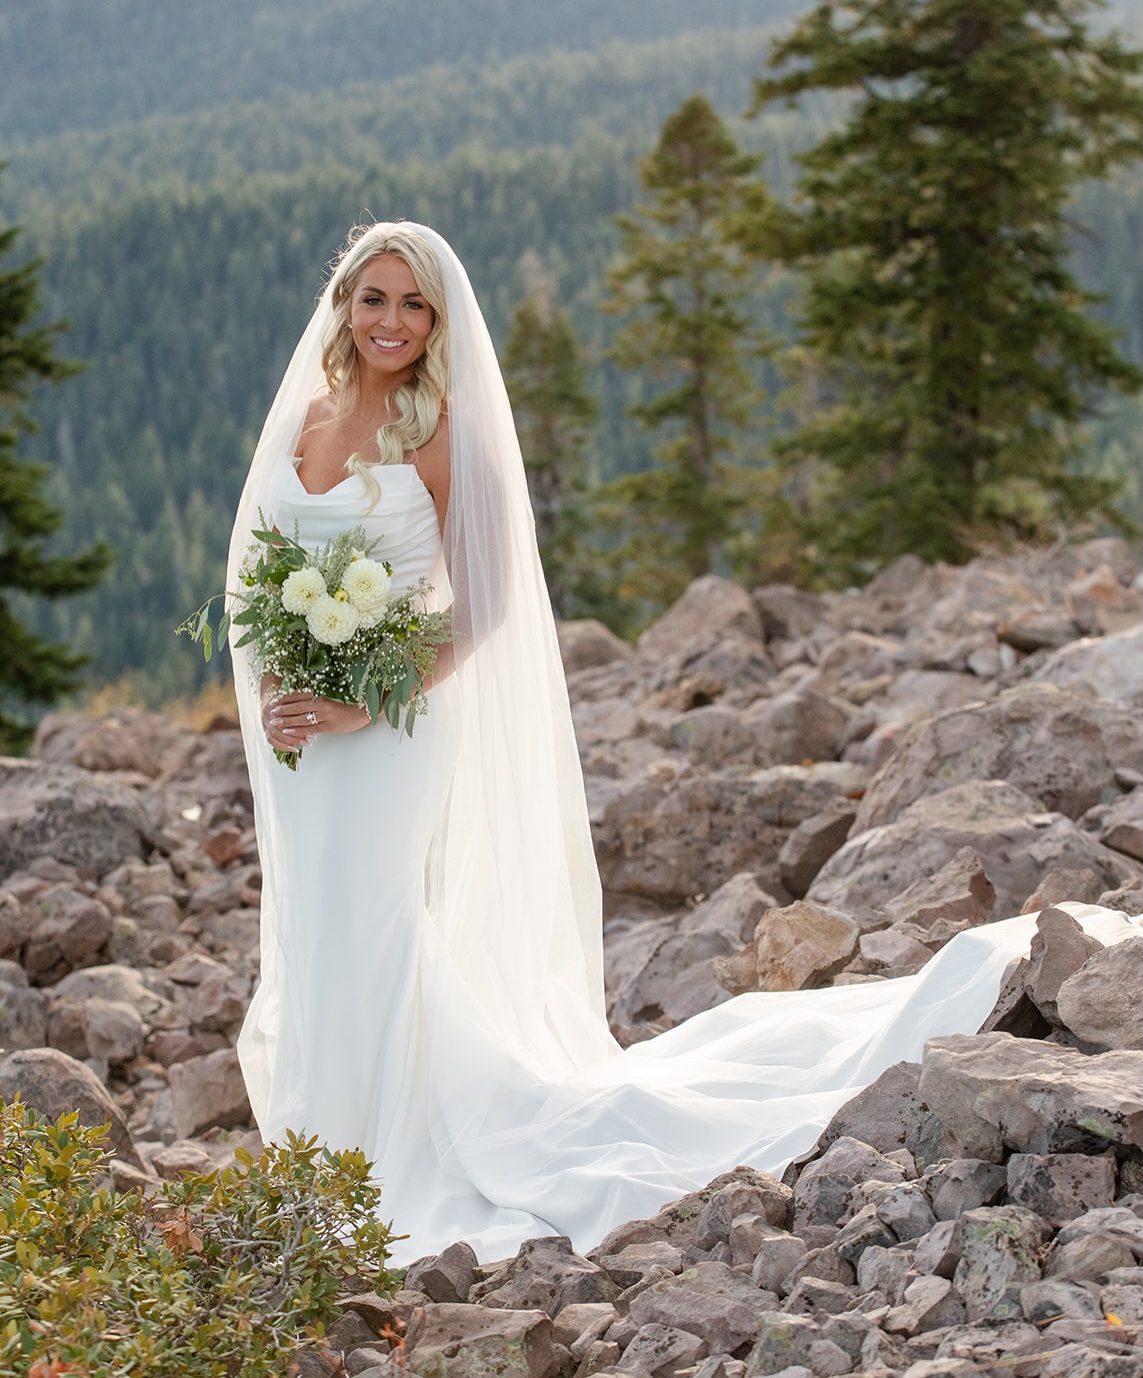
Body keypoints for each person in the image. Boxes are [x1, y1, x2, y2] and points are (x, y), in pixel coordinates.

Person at [229, 221, 1135, 1262]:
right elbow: (258, 573)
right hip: (308, 732)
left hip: (389, 726)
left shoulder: (441, 434)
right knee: (320, 916)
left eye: (413, 304)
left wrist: (362, 697)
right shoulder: (309, 419)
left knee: (377, 921)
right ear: (344, 304)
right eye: (374, 298)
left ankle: (378, 1162)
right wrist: (281, 682)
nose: (390, 321)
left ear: (438, 323)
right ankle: (322, 1148)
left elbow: (480, 609)